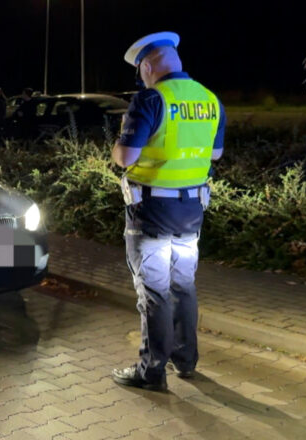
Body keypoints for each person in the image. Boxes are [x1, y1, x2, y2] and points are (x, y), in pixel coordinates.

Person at [110, 32, 226, 392]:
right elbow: (215, 154)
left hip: (151, 214)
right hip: (191, 211)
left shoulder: (151, 98)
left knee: (155, 292)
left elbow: (125, 157)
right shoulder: (209, 99)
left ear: (147, 67)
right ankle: (186, 360)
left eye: (141, 72)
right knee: (183, 286)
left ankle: (152, 370)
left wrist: (117, 146)